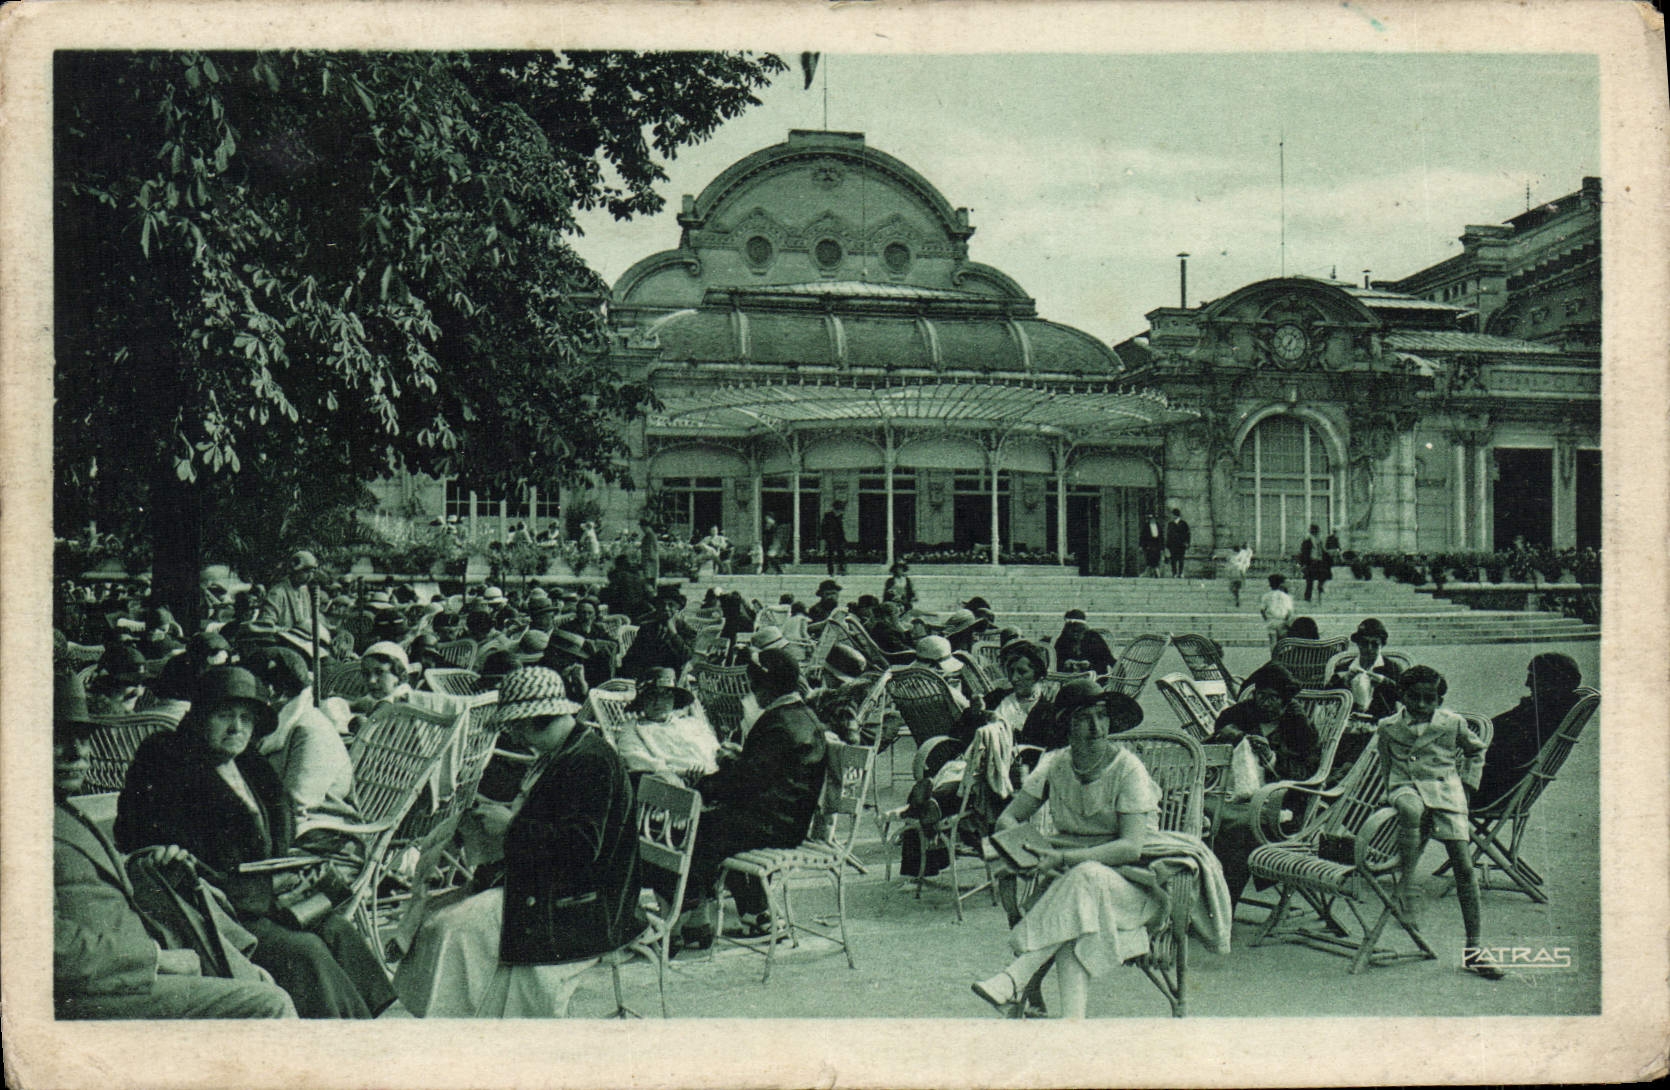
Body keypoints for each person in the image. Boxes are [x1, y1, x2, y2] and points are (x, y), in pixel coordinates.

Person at [115, 667, 396, 1017]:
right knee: (306, 951)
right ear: (200, 716)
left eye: (246, 718)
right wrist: (163, 851)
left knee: (338, 929)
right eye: (224, 715)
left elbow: (279, 832)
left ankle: (373, 1024)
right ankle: (338, 1035)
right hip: (216, 909)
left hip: (271, 896)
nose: (237, 727)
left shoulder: (251, 764)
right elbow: (132, 832)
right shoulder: (166, 762)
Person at [393, 667, 641, 1015]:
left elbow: (582, 849)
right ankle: (461, 1021)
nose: (516, 736)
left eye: (517, 726)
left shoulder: (590, 761)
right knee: (437, 917)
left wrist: (511, 826)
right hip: (559, 886)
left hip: (588, 903)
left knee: (453, 929)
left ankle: (459, 1024)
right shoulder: (567, 751)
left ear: (536, 719)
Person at [54, 671, 298, 1020]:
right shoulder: (23, 831)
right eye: (57, 739)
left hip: (142, 949)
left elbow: (103, 883)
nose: (77, 753)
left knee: (287, 967)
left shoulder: (64, 812)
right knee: (272, 1002)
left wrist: (146, 862)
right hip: (100, 987)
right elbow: (46, 949)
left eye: (83, 738)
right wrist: (157, 958)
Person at [970, 677, 1168, 1019]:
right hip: (1077, 894)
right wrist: (1031, 853)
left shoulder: (1128, 769)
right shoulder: (1056, 764)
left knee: (1086, 875)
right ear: (1067, 725)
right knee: (1075, 917)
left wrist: (1062, 857)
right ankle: (1072, 1024)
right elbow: (1008, 819)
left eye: (1101, 716)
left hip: (1133, 888)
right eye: (1084, 718)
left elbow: (1131, 847)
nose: (1096, 727)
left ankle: (1015, 977)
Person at [648, 648, 827, 946]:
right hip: (789, 818)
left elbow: (742, 784)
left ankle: (679, 919)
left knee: (681, 832)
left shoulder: (777, 724)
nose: (751, 693)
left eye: (754, 686)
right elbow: (763, 773)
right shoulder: (802, 716)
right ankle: (704, 919)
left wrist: (701, 785)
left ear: (766, 687)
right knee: (705, 826)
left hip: (771, 825)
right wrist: (737, 762)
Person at [1377, 666, 1502, 979]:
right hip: (1407, 787)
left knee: (1464, 866)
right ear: (1402, 695)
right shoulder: (1388, 726)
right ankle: (1407, 888)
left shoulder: (1452, 722)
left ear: (1439, 699)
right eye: (1413, 697)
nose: (1421, 704)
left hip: (1446, 792)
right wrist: (1389, 792)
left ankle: (1474, 948)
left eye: (1429, 699)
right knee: (1410, 811)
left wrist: (1468, 785)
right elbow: (1386, 764)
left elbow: (1476, 751)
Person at [1209, 663, 1321, 905]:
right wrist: (1225, 738)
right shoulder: (1239, 714)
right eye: (1261, 696)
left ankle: (1223, 905)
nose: (1265, 703)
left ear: (1285, 701)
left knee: (1240, 829)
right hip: (1233, 795)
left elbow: (1307, 774)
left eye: (1273, 698)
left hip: (1282, 804)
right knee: (1200, 816)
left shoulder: (1299, 726)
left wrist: (1272, 758)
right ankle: (1206, 898)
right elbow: (1209, 748)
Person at [1473, 652, 1584, 811]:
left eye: (1533, 677)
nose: (1527, 683)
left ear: (1553, 680)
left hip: (1490, 792)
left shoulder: (1543, 715)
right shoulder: (1542, 709)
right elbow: (1493, 726)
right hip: (1497, 785)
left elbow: (1505, 753)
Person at [616, 667, 721, 786]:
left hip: (714, 775)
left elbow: (715, 749)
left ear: (673, 698)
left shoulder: (690, 723)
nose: (658, 702)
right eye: (651, 696)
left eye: (666, 695)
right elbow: (635, 759)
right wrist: (680, 773)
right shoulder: (633, 728)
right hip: (677, 784)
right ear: (642, 701)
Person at [255, 549, 330, 650]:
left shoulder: (305, 591)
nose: (310, 576)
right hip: (282, 643)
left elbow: (309, 618)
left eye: (312, 571)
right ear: (295, 570)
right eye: (306, 571)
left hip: (304, 641)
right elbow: (265, 624)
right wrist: (286, 630)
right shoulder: (278, 592)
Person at [1053, 609, 1116, 676]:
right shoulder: (1063, 639)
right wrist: (1066, 663)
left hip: (1093, 678)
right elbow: (1056, 661)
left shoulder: (1094, 637)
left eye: (1077, 626)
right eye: (1071, 627)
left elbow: (1107, 660)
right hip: (1069, 677)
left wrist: (1090, 665)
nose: (1075, 633)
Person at [1259, 573, 1295, 651]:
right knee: (1282, 642)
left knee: (1272, 642)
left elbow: (1262, 610)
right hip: (1282, 621)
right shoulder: (1286, 597)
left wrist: (1266, 619)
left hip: (1271, 621)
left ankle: (1273, 655)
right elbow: (1289, 612)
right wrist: (1287, 621)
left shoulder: (1266, 596)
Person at [1299, 524, 1329, 602]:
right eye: (1317, 532)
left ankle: (1320, 587)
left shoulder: (1320, 541)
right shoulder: (1307, 541)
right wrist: (1303, 564)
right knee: (1309, 582)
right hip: (1311, 562)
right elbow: (1303, 553)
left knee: (1324, 575)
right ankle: (1307, 598)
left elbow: (1323, 552)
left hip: (1319, 562)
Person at [820, 501, 848, 576]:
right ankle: (831, 571)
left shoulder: (839, 517)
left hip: (839, 538)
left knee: (841, 553)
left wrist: (843, 539)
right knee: (830, 554)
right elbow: (824, 527)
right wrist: (824, 538)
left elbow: (841, 529)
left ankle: (841, 569)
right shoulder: (828, 516)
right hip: (830, 538)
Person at [1224, 543, 1254, 608]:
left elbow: (1229, 572)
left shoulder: (1232, 560)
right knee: (1236, 589)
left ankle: (1237, 599)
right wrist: (1244, 580)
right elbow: (1242, 572)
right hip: (1237, 578)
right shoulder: (1238, 561)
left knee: (1234, 589)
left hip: (1234, 578)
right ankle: (1237, 599)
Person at [1164, 508, 1191, 578]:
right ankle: (1174, 573)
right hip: (1173, 544)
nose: (1172, 516)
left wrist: (1187, 543)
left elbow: (1187, 534)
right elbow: (1169, 535)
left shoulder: (1183, 524)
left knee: (1181, 559)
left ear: (1175, 515)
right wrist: (1167, 545)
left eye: (1173, 515)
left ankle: (1180, 572)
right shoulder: (1170, 524)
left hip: (1181, 544)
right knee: (1173, 559)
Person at [1137, 511, 1164, 578]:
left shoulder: (1158, 526)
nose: (1152, 520)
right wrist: (1141, 545)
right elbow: (1142, 536)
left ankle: (1155, 572)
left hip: (1156, 544)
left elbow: (1161, 537)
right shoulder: (1146, 526)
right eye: (1150, 519)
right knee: (1149, 558)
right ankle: (1151, 572)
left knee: (1156, 558)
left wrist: (1162, 547)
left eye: (1153, 518)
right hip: (1149, 544)